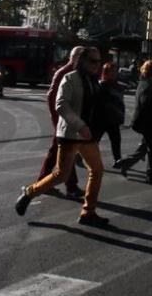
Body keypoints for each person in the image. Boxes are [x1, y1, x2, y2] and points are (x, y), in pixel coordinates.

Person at [15, 47, 108, 226]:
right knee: (60, 175)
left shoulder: (94, 80)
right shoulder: (70, 78)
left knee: (97, 170)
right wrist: (80, 126)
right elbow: (61, 105)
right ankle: (29, 192)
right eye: (93, 61)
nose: (97, 65)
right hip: (71, 134)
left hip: (88, 136)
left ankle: (88, 212)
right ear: (82, 61)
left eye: (99, 61)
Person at [37, 46, 85, 199]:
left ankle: (42, 181)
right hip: (64, 119)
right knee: (67, 150)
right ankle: (71, 186)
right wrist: (58, 119)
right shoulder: (66, 72)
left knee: (57, 150)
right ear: (76, 56)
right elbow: (53, 97)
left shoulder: (76, 72)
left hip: (68, 119)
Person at [115, 60, 152, 185]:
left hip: (150, 123)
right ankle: (151, 176)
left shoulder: (151, 83)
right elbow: (147, 105)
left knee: (145, 148)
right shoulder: (147, 85)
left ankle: (125, 163)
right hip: (150, 123)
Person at [95, 62, 125, 165]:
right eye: (111, 72)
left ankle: (118, 159)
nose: (114, 74)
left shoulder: (118, 86)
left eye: (115, 71)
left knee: (116, 140)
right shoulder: (101, 85)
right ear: (105, 73)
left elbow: (121, 104)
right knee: (95, 140)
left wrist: (121, 116)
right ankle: (83, 156)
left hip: (113, 118)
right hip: (101, 119)